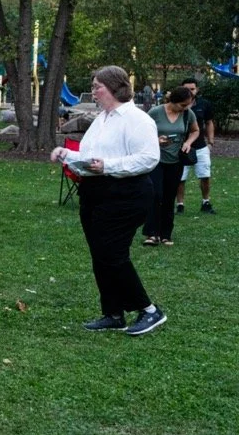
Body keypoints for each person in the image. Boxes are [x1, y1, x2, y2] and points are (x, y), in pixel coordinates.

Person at [51, 66, 167, 335]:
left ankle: (149, 310)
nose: (93, 92)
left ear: (115, 87)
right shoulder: (102, 119)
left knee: (111, 252)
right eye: (92, 87)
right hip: (95, 192)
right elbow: (90, 156)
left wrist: (108, 166)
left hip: (126, 194)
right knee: (99, 253)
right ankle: (113, 313)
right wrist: (66, 155)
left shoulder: (137, 119)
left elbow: (149, 158)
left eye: (97, 87)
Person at [141, 86, 198, 247]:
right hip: (156, 160)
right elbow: (142, 132)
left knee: (169, 196)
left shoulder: (188, 114)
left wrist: (187, 142)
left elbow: (195, 131)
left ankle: (166, 234)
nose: (186, 107)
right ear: (173, 101)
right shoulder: (155, 112)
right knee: (156, 194)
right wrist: (156, 140)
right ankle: (152, 234)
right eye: (183, 105)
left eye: (188, 105)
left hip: (176, 161)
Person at [176, 78, 216, 214]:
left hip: (200, 146)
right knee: (180, 178)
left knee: (205, 176)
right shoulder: (175, 104)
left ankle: (206, 202)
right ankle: (180, 205)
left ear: (197, 89)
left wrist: (210, 142)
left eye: (192, 89)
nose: (190, 91)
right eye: (186, 89)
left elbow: (209, 122)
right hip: (180, 148)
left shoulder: (204, 104)